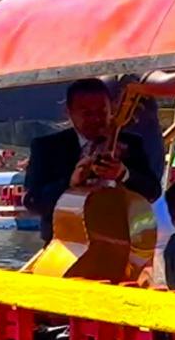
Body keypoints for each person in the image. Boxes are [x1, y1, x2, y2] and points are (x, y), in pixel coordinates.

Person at [25, 78, 162, 243]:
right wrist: (70, 183)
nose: (96, 119)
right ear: (68, 112)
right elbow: (33, 202)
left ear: (111, 109)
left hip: (120, 241)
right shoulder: (47, 147)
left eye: (102, 112)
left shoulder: (130, 143)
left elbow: (152, 192)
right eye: (87, 114)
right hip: (64, 244)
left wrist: (123, 174)